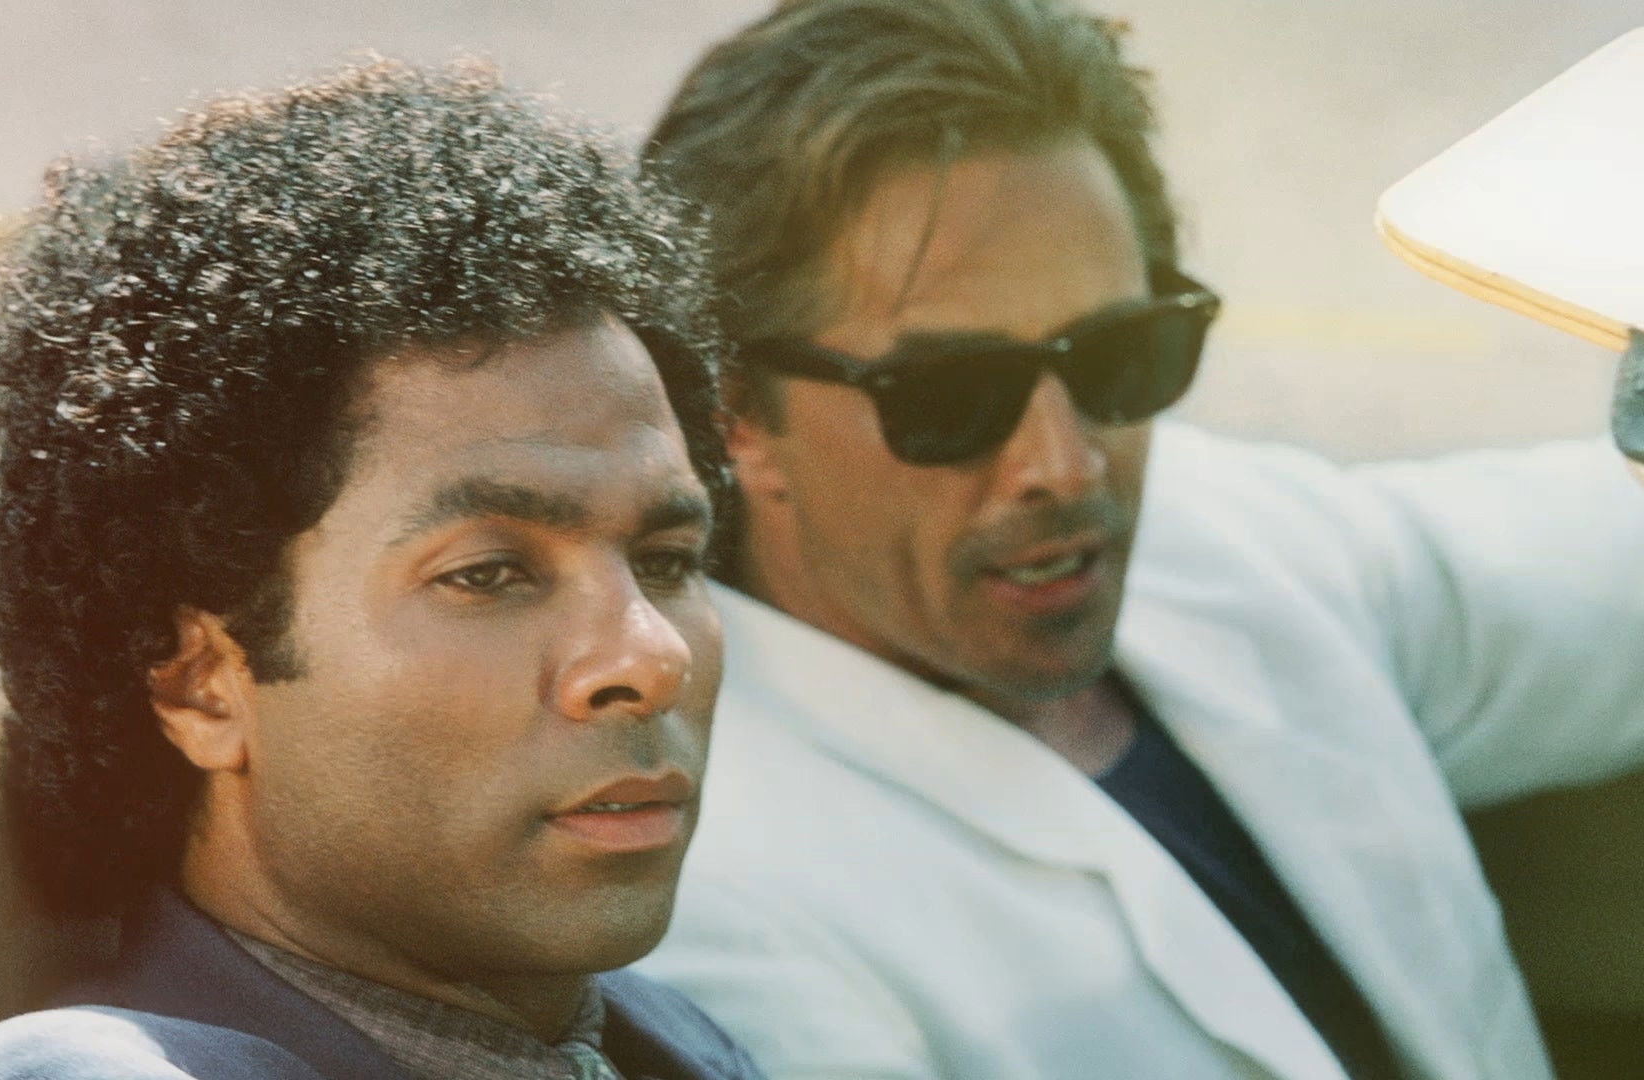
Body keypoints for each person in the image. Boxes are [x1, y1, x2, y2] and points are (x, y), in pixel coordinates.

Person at [631, 2, 1644, 1077]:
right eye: (951, 393)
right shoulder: (711, 907)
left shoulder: (1227, 533)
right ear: (732, 410)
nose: (1065, 463)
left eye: (1123, 356)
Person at [0, 58, 759, 1080]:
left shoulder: (658, 1041)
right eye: (489, 574)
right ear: (201, 683)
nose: (652, 655)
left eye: (667, 560)